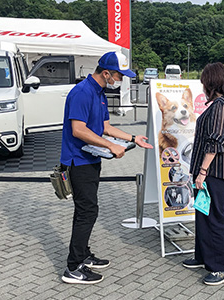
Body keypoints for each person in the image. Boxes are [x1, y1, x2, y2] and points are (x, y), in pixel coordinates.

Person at [59, 51, 153, 284]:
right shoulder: (82, 93)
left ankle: (83, 255)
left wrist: (133, 138)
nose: (120, 80)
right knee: (87, 212)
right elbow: (78, 130)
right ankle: (73, 268)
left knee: (87, 211)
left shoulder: (98, 93)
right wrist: (111, 146)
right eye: (119, 76)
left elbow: (105, 127)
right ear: (106, 73)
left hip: (90, 160)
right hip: (77, 162)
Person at [182, 62, 224, 286]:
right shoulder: (222, 104)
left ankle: (223, 267)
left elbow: (215, 142)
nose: (202, 85)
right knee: (203, 214)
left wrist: (202, 171)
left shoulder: (220, 106)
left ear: (211, 82)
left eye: (204, 80)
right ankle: (204, 256)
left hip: (215, 172)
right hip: (211, 172)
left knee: (215, 217)